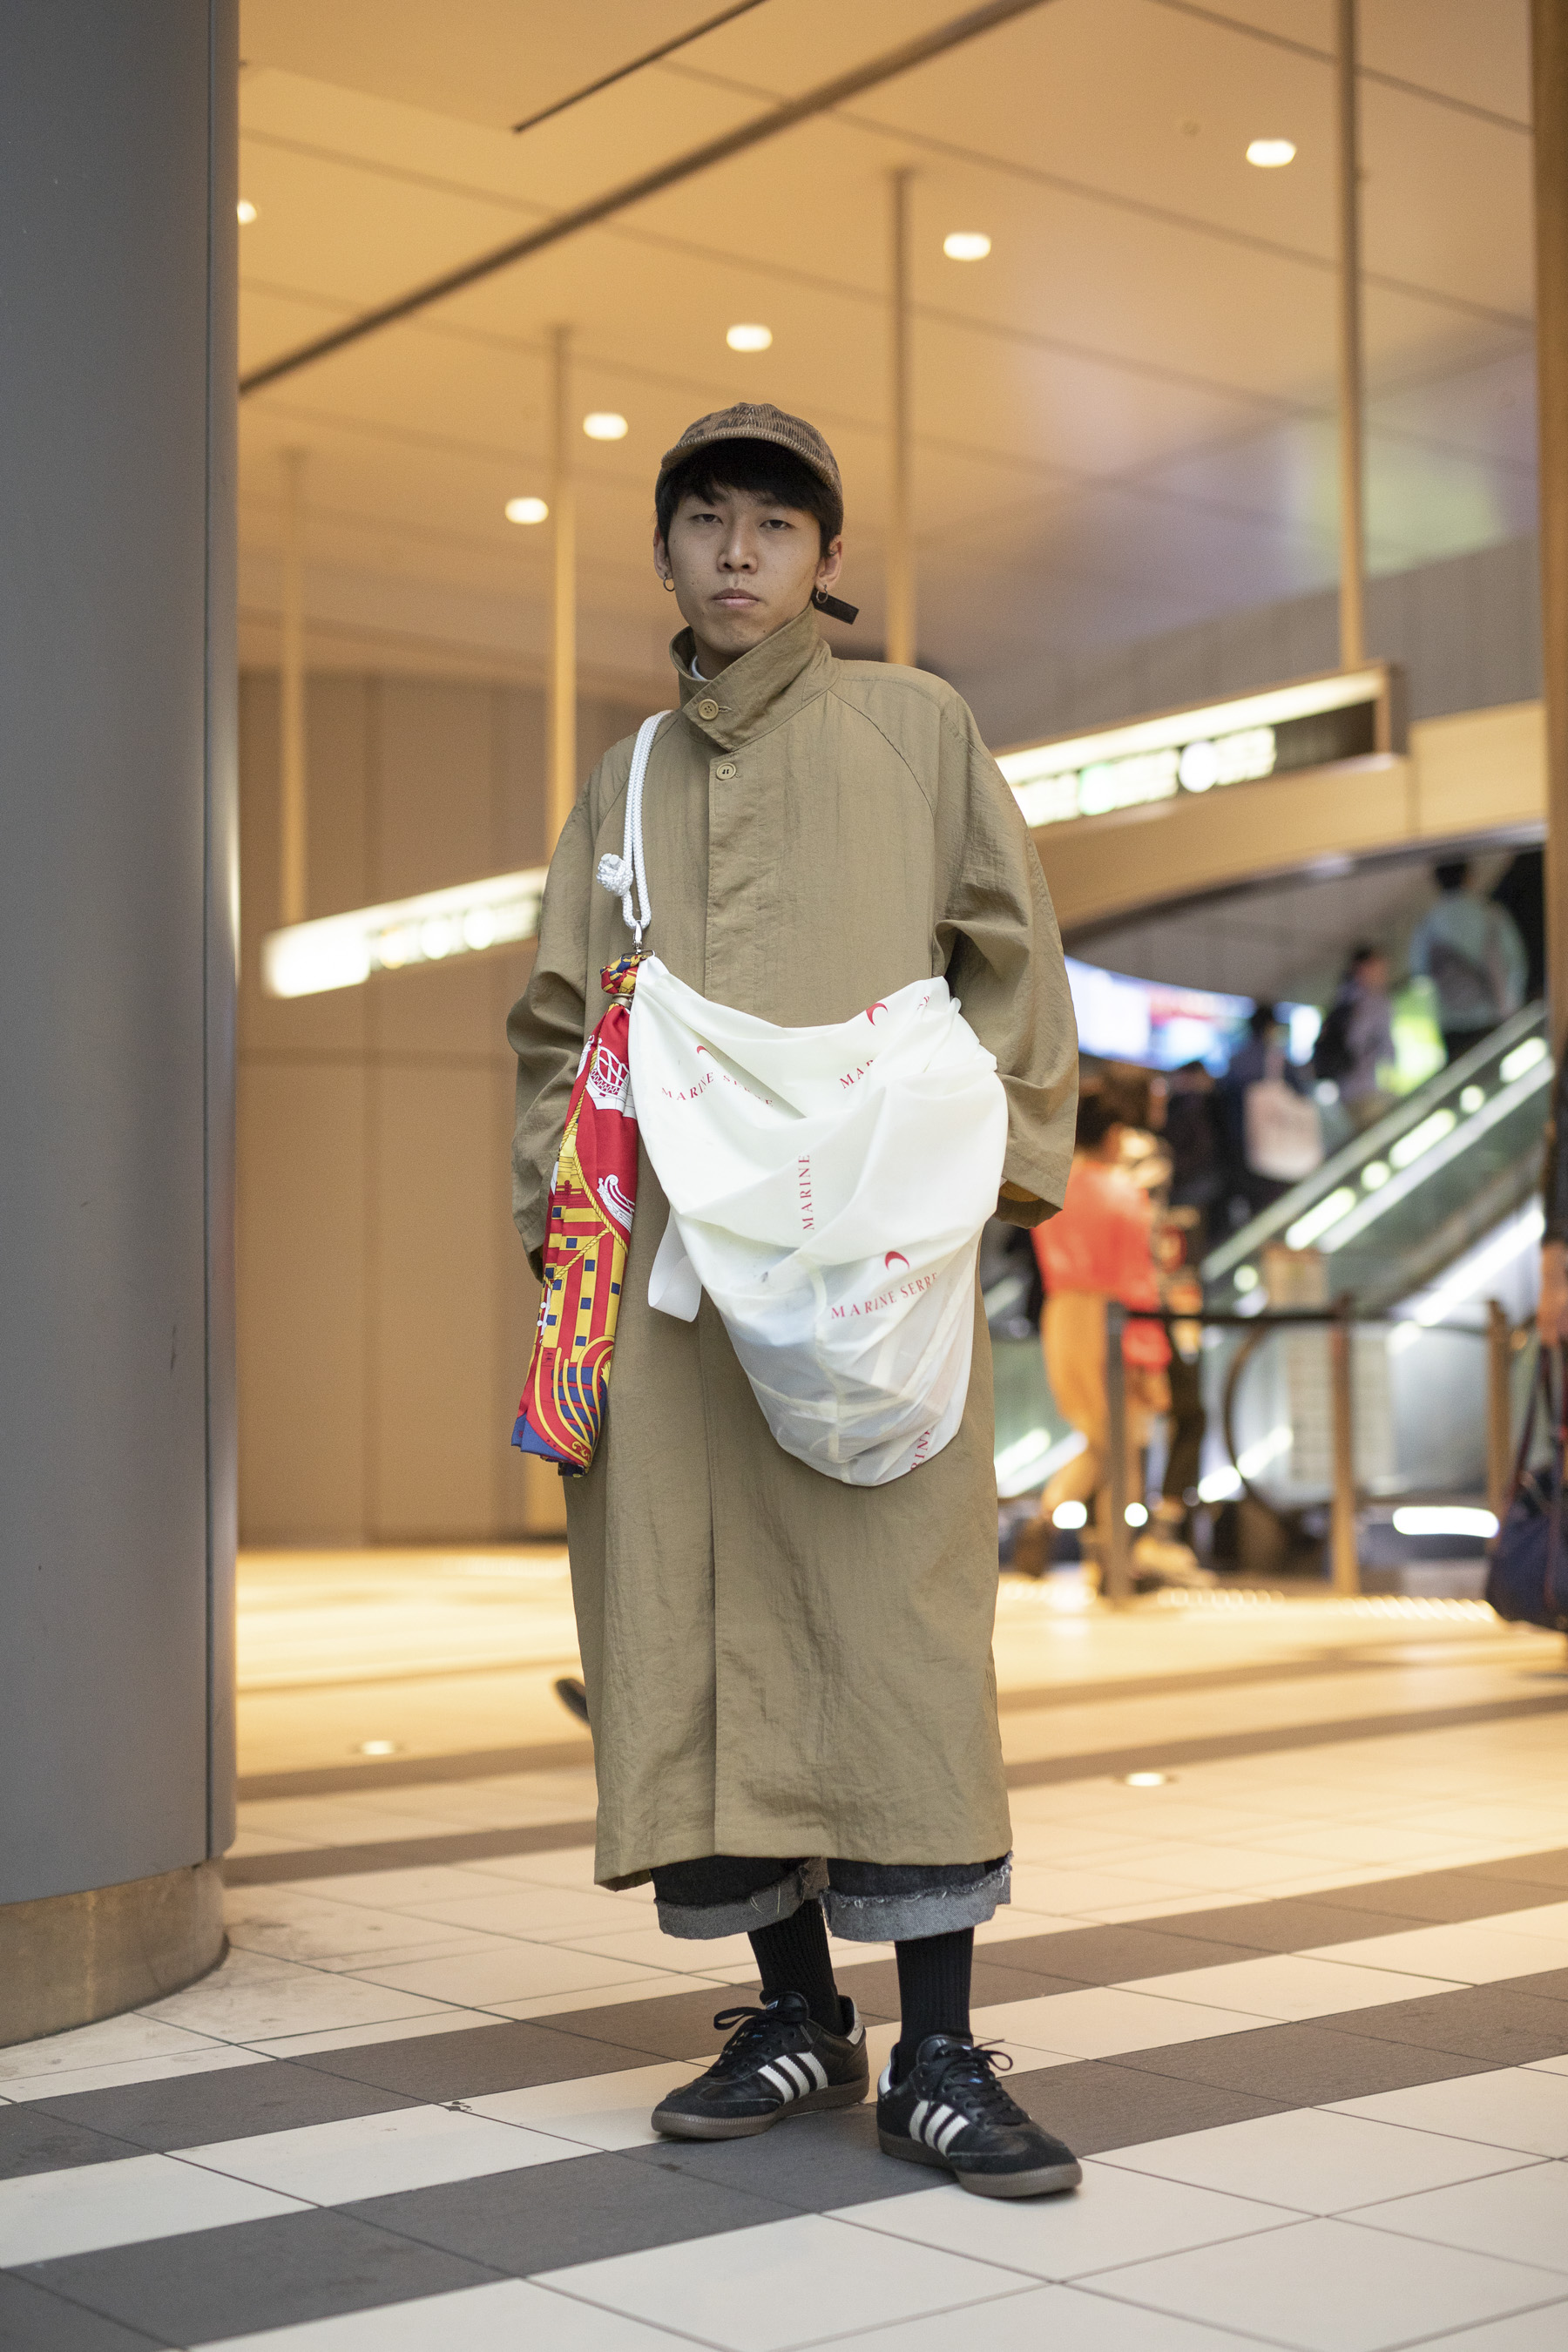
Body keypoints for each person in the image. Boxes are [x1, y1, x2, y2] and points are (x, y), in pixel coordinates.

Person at [507, 402, 1082, 2198]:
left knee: (898, 1629)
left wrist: (976, 1188)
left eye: (775, 523)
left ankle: (940, 2052)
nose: (739, 551)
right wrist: (564, 1233)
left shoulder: (917, 728)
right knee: (697, 1623)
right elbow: (556, 1024)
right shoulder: (625, 781)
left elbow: (1017, 961)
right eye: (707, 520)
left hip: (874, 1275)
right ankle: (793, 2015)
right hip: (673, 1292)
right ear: (665, 553)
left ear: (827, 558)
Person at [1010, 1091, 1202, 1584]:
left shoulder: (1051, 1185)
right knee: (1122, 1441)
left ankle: (1061, 1526)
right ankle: (1112, 1557)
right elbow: (1138, 1279)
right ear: (1114, 1135)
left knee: (1100, 1438)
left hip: (1062, 1314)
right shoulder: (1120, 1192)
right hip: (1110, 1317)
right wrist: (1152, 1355)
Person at [1409, 860, 1527, 1064]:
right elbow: (1516, 964)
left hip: (1451, 1023)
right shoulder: (1491, 914)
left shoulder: (1428, 925)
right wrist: (1510, 1008)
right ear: (1468, 877)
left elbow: (1419, 974)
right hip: (1490, 1015)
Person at [1315, 944, 1395, 1132]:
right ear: (1363, 968)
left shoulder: (1342, 999)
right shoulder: (1374, 1002)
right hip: (1368, 1086)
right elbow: (1370, 1043)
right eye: (1378, 967)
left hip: (1345, 1089)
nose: (1383, 973)